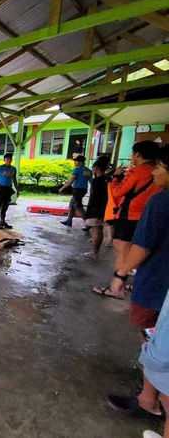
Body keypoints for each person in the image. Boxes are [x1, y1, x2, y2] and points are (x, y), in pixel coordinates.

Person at [105, 147, 169, 437]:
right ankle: (148, 397)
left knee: (154, 341)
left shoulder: (160, 199)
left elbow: (142, 246)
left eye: (161, 167)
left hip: (157, 282)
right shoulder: (155, 194)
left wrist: (119, 275)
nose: (156, 171)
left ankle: (152, 400)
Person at [93, 140, 160, 299]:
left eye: (133, 154)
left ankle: (116, 289)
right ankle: (136, 285)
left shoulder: (137, 172)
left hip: (129, 216)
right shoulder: (157, 172)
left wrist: (115, 178)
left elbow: (117, 193)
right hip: (147, 216)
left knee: (122, 251)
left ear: (138, 154)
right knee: (141, 252)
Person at [83, 158, 108, 258]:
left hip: (95, 208)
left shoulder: (97, 181)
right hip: (102, 208)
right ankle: (95, 251)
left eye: (93, 167)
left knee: (95, 229)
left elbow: (95, 197)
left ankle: (94, 252)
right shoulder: (106, 180)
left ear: (96, 168)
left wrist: (93, 210)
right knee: (99, 229)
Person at [59, 155, 91, 228]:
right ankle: (69, 220)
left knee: (78, 206)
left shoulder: (77, 170)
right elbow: (90, 180)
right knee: (72, 204)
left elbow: (71, 180)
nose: (74, 162)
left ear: (80, 162)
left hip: (77, 190)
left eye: (76, 161)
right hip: (83, 190)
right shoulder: (87, 170)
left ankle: (88, 223)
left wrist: (62, 188)